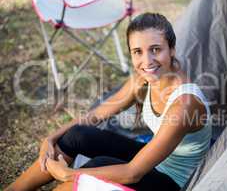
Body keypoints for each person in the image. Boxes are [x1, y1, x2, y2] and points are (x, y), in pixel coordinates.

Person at [5, 13, 212, 191]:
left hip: (173, 183)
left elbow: (132, 173)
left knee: (97, 168)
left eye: (155, 49)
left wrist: (68, 174)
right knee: (79, 134)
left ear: (172, 49)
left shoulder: (184, 104)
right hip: (153, 159)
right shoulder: (143, 79)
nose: (147, 61)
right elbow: (95, 116)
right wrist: (50, 138)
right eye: (138, 52)